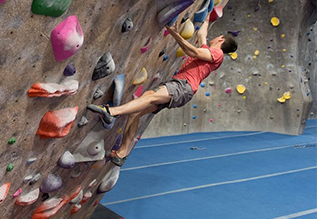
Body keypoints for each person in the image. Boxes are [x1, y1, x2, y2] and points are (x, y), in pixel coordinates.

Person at [87, 14, 238, 165]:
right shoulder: (208, 51)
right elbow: (201, 34)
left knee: (150, 95)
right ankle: (122, 154)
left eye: (218, 36)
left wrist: (173, 33)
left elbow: (193, 52)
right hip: (182, 89)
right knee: (135, 113)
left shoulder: (217, 54)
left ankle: (112, 112)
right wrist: (207, 17)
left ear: (221, 39)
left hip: (183, 86)